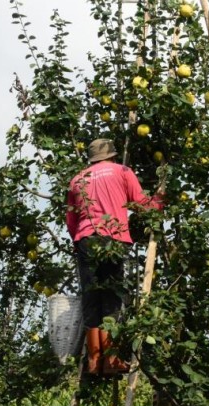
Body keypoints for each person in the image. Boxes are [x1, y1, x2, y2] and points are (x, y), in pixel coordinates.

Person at [66, 138, 163, 375]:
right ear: (112, 156)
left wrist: (77, 242)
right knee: (111, 297)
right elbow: (141, 204)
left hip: (85, 239)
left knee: (91, 295)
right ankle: (110, 360)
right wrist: (159, 202)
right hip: (113, 238)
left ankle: (93, 360)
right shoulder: (122, 171)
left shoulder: (76, 180)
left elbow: (70, 219)